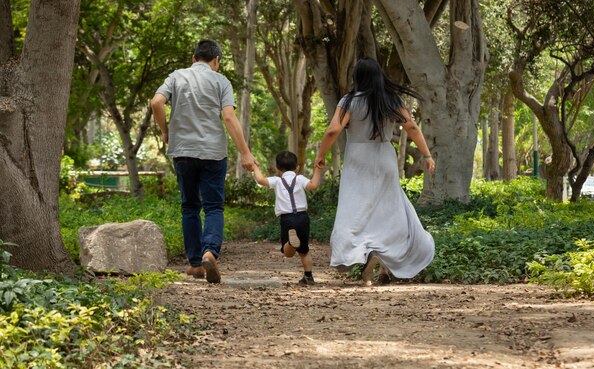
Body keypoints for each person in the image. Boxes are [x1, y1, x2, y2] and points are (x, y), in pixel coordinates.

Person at [314, 58, 436, 286]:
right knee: (388, 213)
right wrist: (427, 155)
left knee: (355, 210)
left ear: (357, 78)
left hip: (357, 161)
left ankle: (365, 254)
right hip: (384, 158)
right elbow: (412, 126)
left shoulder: (349, 101)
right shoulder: (390, 99)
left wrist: (320, 155)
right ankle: (383, 264)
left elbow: (333, 130)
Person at [151, 39, 257, 284]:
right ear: (216, 60)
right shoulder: (221, 81)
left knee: (189, 207)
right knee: (213, 207)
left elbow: (156, 102)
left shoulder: (176, 77)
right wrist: (245, 152)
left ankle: (196, 264)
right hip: (213, 153)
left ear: (193, 57)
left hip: (183, 151)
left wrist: (165, 131)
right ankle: (210, 252)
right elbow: (229, 118)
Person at [252, 151, 322, 285]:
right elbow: (313, 186)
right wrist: (317, 169)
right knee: (304, 250)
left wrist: (255, 167)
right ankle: (309, 276)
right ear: (297, 167)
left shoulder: (277, 181)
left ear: (278, 168)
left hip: (287, 219)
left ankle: (290, 243)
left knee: (288, 252)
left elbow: (261, 180)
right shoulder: (300, 179)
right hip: (303, 217)